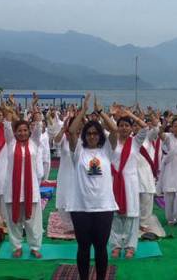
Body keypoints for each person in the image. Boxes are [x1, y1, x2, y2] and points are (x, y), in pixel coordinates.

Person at [67, 93, 118, 280]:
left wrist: (100, 112)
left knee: (101, 247)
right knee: (83, 247)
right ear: (84, 136)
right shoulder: (78, 151)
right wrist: (83, 110)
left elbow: (114, 131)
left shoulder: (106, 150)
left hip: (104, 206)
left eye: (95, 133)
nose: (92, 136)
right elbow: (72, 131)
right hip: (81, 207)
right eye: (88, 133)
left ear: (100, 135)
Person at [99, 102, 150, 259]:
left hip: (130, 183)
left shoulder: (135, 142)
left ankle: (130, 246)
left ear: (131, 128)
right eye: (121, 125)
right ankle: (115, 245)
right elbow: (102, 127)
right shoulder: (111, 140)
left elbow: (145, 127)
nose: (124, 128)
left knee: (131, 215)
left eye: (127, 126)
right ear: (117, 127)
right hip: (114, 181)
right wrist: (109, 114)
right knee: (114, 215)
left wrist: (130, 114)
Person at [4, 101, 45, 258]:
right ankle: (17, 247)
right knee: (14, 222)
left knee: (32, 222)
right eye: (19, 131)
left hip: (31, 190)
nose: (22, 133)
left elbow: (39, 127)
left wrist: (35, 111)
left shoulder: (34, 143)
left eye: (25, 130)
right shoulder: (10, 143)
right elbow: (7, 125)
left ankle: (35, 247)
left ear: (29, 132)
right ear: (14, 133)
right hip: (12, 190)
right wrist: (8, 111)